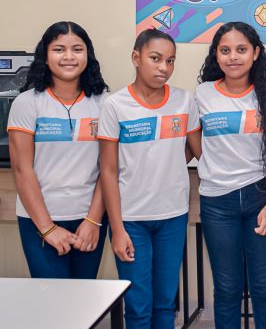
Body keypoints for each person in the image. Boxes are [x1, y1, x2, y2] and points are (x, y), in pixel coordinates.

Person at [187, 22, 266, 329]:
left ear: (255, 53)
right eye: (225, 50)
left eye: (241, 49)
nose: (233, 57)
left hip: (261, 198)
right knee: (227, 288)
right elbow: (196, 142)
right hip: (218, 204)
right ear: (216, 55)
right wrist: (215, 165)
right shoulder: (203, 94)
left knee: (264, 288)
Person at [98, 29, 199, 329]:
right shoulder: (115, 105)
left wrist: (167, 164)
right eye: (155, 58)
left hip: (173, 216)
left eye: (170, 61)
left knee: (165, 304)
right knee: (138, 307)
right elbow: (108, 170)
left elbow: (197, 150)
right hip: (131, 220)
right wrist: (117, 229)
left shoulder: (184, 101)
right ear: (136, 58)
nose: (163, 67)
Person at [8, 21, 108, 278]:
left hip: (89, 219)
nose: (69, 57)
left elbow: (108, 169)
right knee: (51, 296)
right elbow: (22, 170)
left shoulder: (104, 103)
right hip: (38, 220)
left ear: (88, 55)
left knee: (85, 297)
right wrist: (48, 228)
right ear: (45, 55)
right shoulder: (27, 103)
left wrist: (93, 221)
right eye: (59, 49)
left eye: (77, 49)